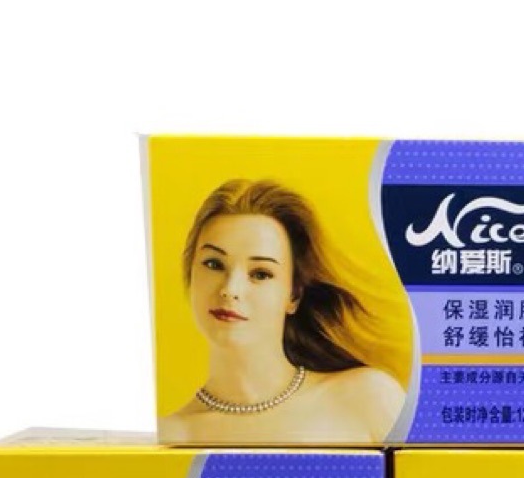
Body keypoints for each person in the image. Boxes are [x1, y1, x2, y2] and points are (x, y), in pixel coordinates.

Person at [161, 178, 406, 445]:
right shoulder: (171, 435)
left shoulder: (369, 398)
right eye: (214, 264)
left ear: (294, 295)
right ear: (190, 274)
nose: (230, 289)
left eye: (260, 274)